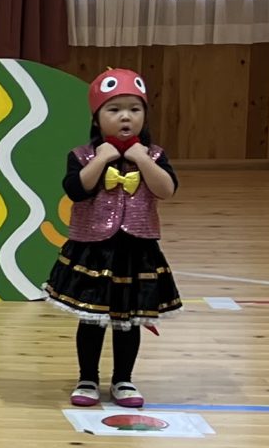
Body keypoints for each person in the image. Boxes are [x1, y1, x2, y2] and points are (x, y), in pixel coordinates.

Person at [43, 67, 181, 407]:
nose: (125, 117)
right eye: (114, 109)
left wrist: (142, 160)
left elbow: (167, 189)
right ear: (96, 117)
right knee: (93, 319)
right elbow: (76, 190)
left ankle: (124, 379)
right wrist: (102, 158)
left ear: (145, 116)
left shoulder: (154, 155)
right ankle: (87, 378)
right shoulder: (81, 155)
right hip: (94, 250)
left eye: (134, 109)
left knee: (128, 321)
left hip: (136, 250)